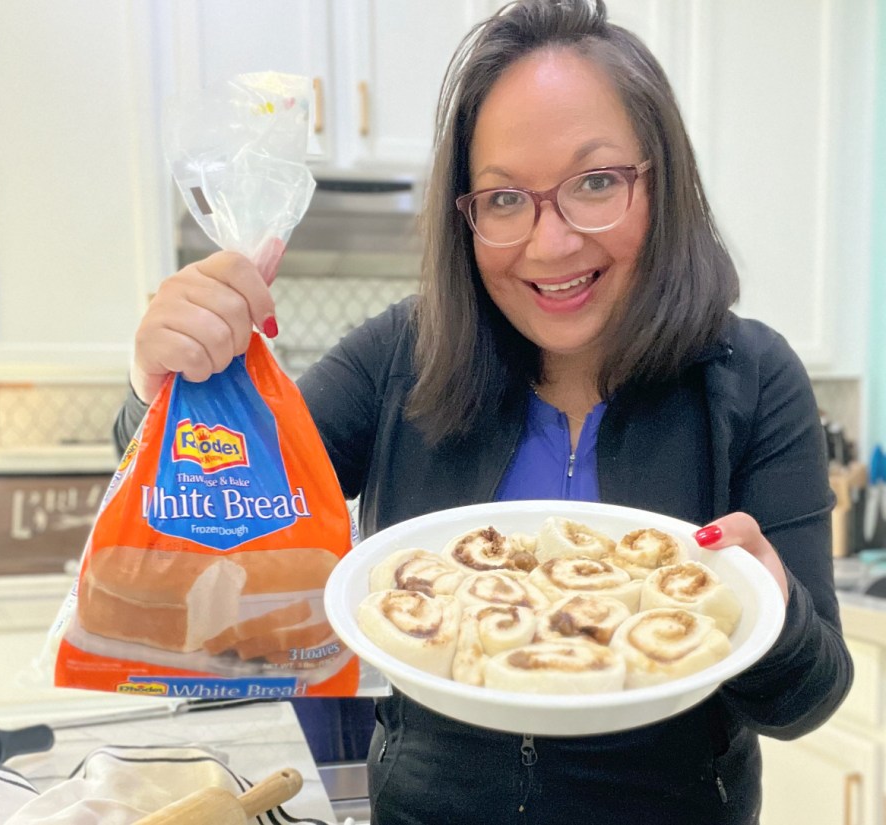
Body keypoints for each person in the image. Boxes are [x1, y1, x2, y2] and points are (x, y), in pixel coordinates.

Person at [114, 1, 853, 822]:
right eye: (504, 199)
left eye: (597, 182)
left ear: (664, 182)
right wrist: (167, 390)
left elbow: (805, 702)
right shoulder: (403, 355)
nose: (551, 244)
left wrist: (769, 604)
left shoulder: (752, 378)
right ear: (465, 214)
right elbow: (211, 520)